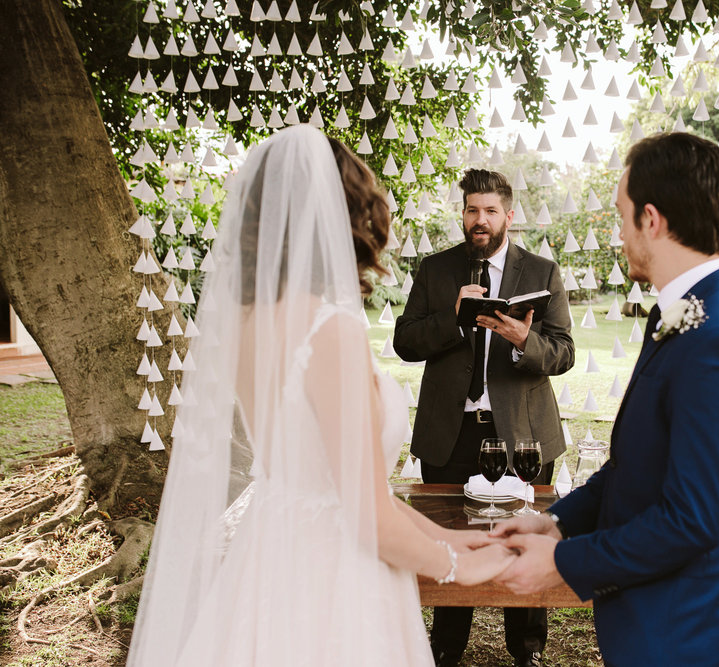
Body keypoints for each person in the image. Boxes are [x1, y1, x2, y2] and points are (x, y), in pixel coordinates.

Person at [127, 125, 514, 667]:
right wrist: (459, 566)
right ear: (348, 217)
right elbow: (363, 516)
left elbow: (344, 489)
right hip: (335, 583)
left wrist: (456, 538)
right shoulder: (329, 328)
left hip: (268, 559)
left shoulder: (242, 323)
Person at [492, 132, 719, 666]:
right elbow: (636, 466)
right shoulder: (683, 312)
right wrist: (557, 521)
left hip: (683, 635)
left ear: (652, 220)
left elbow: (691, 520)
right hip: (652, 628)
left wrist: (561, 561)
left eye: (622, 215)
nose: (618, 232)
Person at [394, 169, 574, 667]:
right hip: (451, 435)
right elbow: (405, 341)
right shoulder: (435, 270)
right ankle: (447, 647)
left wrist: (522, 340)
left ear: (508, 217)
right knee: (453, 542)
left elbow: (563, 353)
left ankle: (528, 649)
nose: (480, 220)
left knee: (527, 538)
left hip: (524, 436)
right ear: (463, 213)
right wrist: (452, 318)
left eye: (490, 211)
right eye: (472, 209)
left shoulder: (541, 272)